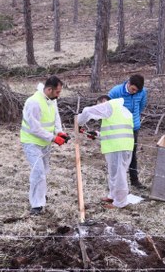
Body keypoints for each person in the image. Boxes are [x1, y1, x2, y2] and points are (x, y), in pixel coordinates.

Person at [20, 76, 70, 215]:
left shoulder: (51, 100)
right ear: (49, 89)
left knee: (45, 170)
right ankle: (36, 204)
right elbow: (34, 128)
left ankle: (40, 194)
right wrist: (53, 138)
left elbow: (56, 117)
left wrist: (59, 132)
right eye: (57, 92)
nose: (59, 95)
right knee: (39, 172)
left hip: (45, 142)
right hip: (31, 142)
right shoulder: (34, 103)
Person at [78, 95, 134, 209]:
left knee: (119, 175)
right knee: (114, 173)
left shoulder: (110, 106)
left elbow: (87, 111)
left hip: (119, 147)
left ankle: (120, 202)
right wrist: (97, 135)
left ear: (103, 102)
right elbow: (115, 131)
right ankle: (113, 196)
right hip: (121, 146)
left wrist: (78, 123)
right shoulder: (122, 110)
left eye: (99, 105)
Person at [108, 74, 147, 190]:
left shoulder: (142, 92)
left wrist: (133, 119)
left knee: (132, 154)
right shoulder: (116, 91)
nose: (135, 92)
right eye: (133, 89)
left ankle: (134, 180)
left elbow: (141, 106)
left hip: (133, 128)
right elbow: (107, 107)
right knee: (117, 154)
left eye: (137, 91)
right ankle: (115, 180)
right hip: (118, 128)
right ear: (128, 84)